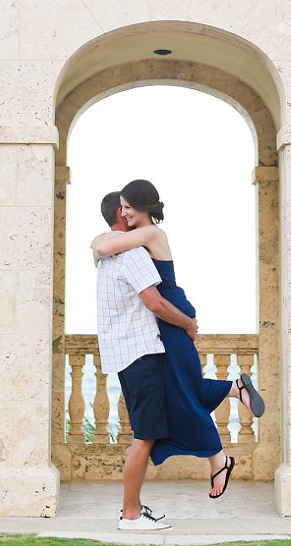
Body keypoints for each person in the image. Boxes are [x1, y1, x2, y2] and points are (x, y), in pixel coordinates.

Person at [92, 178, 263, 503]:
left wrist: (99, 242)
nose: (125, 213)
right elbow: (103, 246)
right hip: (162, 316)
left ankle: (218, 457)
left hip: (169, 312)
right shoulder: (134, 241)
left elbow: (102, 248)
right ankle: (232, 392)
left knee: (181, 392)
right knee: (179, 387)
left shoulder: (151, 234)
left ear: (140, 208)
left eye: (129, 207)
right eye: (122, 208)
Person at [92, 189, 202, 532]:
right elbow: (155, 303)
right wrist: (188, 324)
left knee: (150, 429)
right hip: (141, 352)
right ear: (124, 216)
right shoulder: (134, 255)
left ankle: (133, 505)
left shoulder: (106, 256)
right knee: (145, 435)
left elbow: (98, 245)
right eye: (126, 209)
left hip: (123, 354)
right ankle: (131, 514)